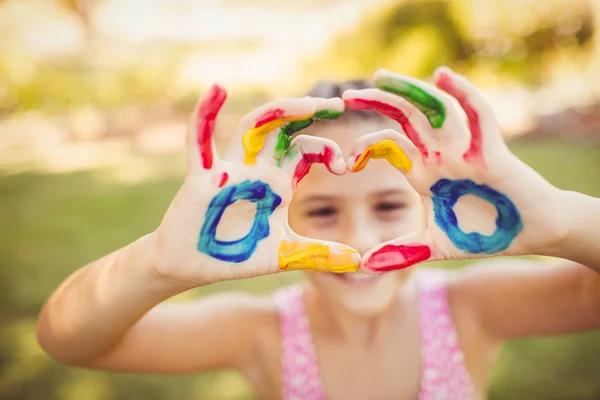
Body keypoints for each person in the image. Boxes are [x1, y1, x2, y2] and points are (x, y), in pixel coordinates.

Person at [37, 67, 600, 400]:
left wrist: (563, 220)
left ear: (435, 205)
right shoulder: (258, 333)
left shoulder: (471, 308)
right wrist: (156, 264)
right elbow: (69, 340)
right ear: (278, 217)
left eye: (387, 204)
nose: (357, 240)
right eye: (324, 211)